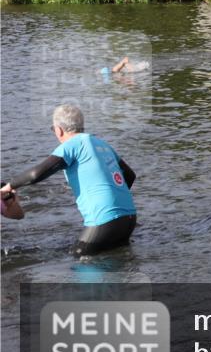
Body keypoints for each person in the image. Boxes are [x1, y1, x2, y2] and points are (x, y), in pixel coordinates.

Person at [1, 104, 138, 256]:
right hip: (129, 218)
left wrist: (9, 186)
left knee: (78, 259)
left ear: (58, 129)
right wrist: (115, 198)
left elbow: (36, 174)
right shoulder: (101, 143)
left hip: (104, 220)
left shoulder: (71, 145)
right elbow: (130, 175)